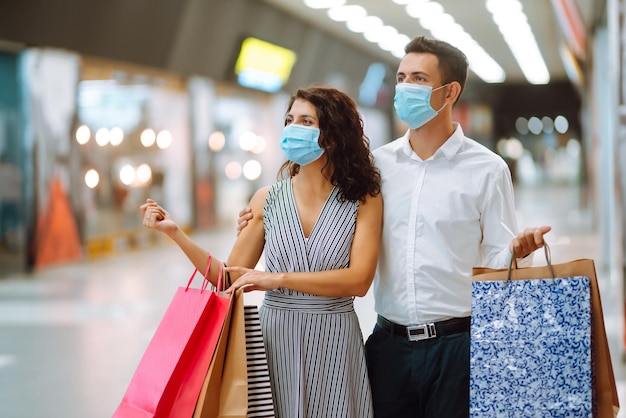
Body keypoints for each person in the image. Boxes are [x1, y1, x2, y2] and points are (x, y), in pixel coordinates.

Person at [237, 36, 551, 418]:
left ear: (450, 91)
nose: (404, 88)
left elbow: (497, 260)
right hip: (389, 344)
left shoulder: (487, 169)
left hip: (457, 346)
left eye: (418, 78)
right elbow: (319, 199)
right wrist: (259, 215)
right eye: (401, 77)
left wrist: (517, 253)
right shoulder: (377, 168)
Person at [141, 85, 382, 418]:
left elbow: (358, 281)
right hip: (274, 339)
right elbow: (227, 277)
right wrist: (176, 233)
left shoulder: (364, 200)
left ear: (332, 134)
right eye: (289, 119)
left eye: (306, 121)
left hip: (335, 339)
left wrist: (277, 278)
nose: (293, 128)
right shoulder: (266, 199)